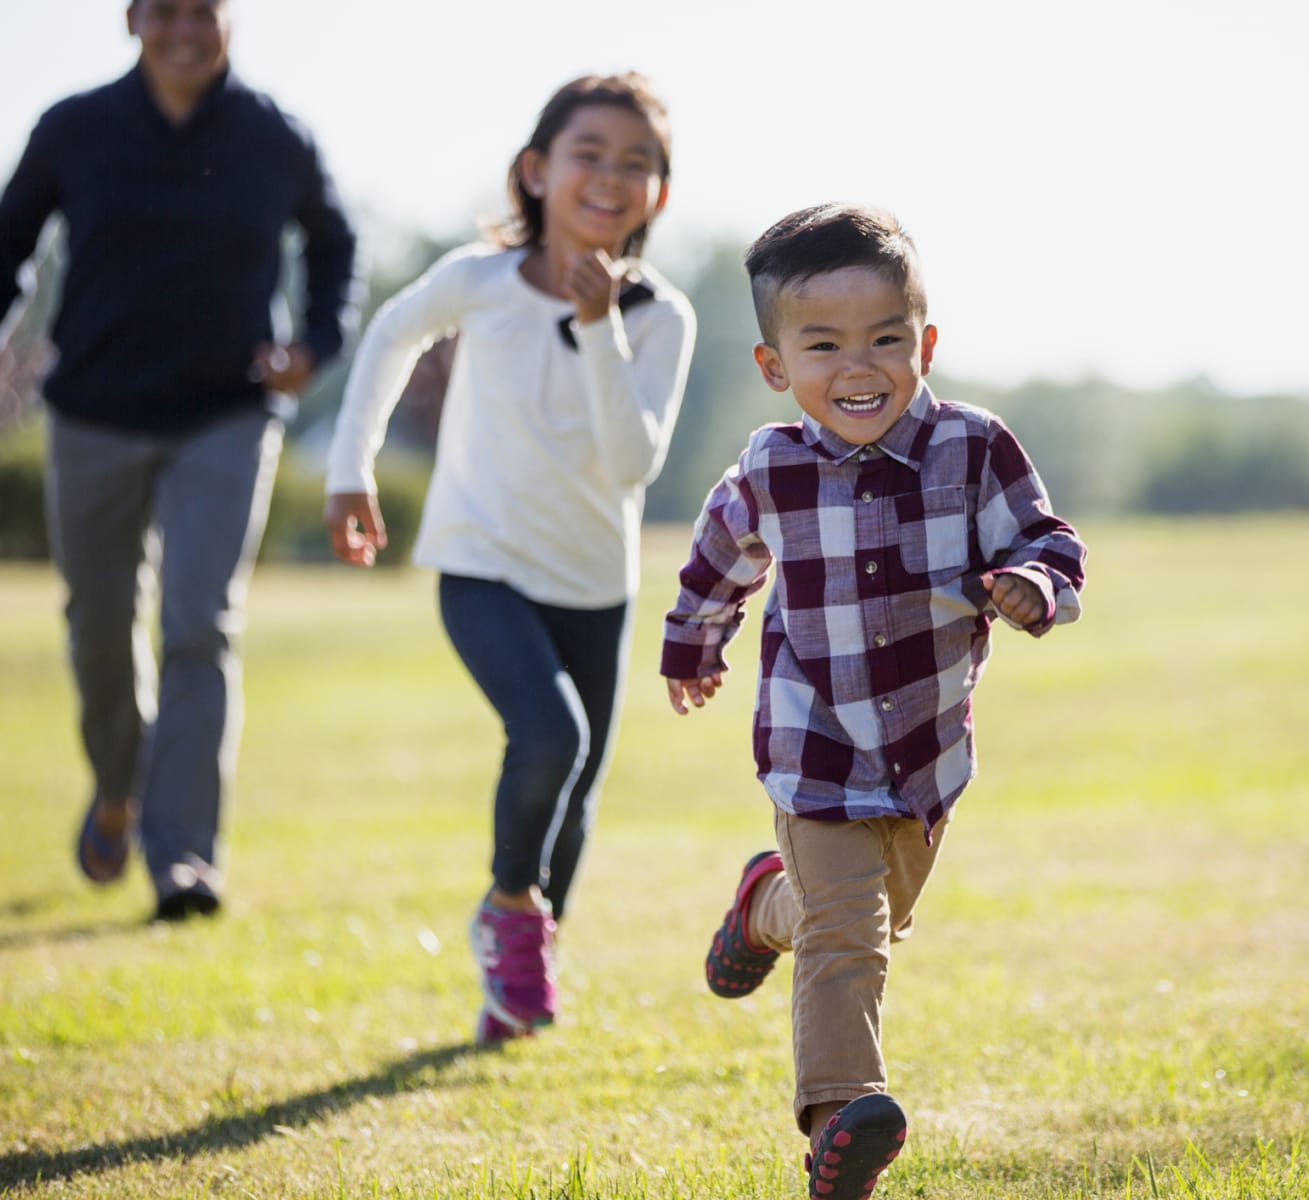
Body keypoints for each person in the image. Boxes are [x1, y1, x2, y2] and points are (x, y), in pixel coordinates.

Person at [662, 204, 1088, 1199]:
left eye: (886, 340)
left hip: (925, 756)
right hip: (816, 745)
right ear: (777, 366)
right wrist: (693, 645)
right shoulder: (772, 468)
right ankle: (841, 1117)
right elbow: (718, 564)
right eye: (824, 345)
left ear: (924, 342)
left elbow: (1046, 538)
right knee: (850, 939)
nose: (861, 366)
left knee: (859, 920)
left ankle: (761, 908)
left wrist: (1034, 586)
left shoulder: (974, 449)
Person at [324, 73, 694, 1045]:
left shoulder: (660, 316)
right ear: (536, 171)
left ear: (658, 191)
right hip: (480, 561)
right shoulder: (476, 282)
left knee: (574, 798)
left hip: (595, 586)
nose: (611, 175)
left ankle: (516, 981)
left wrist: (599, 325)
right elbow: (392, 336)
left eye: (637, 162)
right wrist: (349, 470)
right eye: (589, 154)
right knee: (550, 737)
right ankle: (507, 912)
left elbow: (632, 463)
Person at [0, 0, 358, 922]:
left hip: (225, 415)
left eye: (206, 12)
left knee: (198, 626)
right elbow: (3, 253)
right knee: (98, 626)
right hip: (93, 415)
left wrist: (313, 342)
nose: (186, 30)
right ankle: (116, 788)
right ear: (133, 19)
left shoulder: (274, 136)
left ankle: (182, 858)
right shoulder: (74, 128)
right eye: (167, 11)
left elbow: (336, 246)